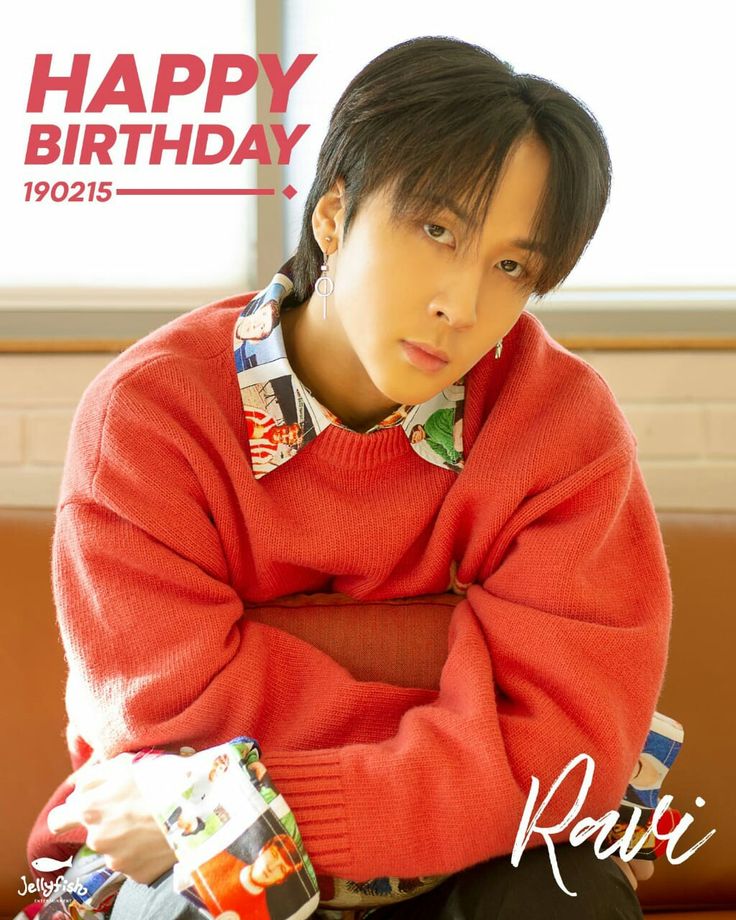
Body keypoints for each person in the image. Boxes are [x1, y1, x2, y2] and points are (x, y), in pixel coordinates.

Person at [26, 35, 672, 920]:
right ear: (334, 215)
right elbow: (176, 733)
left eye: (511, 266)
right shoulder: (150, 417)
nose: (461, 301)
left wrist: (272, 714)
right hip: (181, 850)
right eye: (436, 230)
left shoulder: (561, 427)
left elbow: (565, 754)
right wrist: (452, 664)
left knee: (569, 891)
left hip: (464, 857)